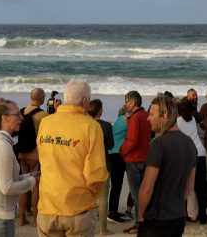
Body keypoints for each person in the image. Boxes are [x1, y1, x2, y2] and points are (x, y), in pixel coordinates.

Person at [36, 80, 109, 237]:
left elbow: (42, 158)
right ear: (84, 101)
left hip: (47, 206)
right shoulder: (91, 126)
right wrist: (92, 196)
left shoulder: (46, 123)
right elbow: (96, 173)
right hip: (78, 208)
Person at [134, 94, 197, 237]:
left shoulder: (159, 144)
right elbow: (189, 187)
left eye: (151, 114)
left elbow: (147, 188)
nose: (148, 118)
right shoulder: (190, 144)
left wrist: (141, 215)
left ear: (164, 116)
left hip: (156, 219)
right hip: (178, 217)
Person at [0, 99, 38, 236]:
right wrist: (32, 182)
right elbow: (7, 187)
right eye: (17, 114)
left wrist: (29, 176)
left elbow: (3, 177)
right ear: (5, 118)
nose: (21, 118)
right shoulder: (2, 146)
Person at [120, 90, 152, 234]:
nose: (126, 104)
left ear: (133, 102)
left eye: (127, 102)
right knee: (145, 192)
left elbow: (132, 142)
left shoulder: (135, 118)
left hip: (134, 160)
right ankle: (146, 220)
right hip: (145, 158)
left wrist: (121, 150)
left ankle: (140, 223)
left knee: (137, 194)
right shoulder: (146, 116)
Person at [16, 88, 47, 227]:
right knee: (36, 186)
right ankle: (35, 219)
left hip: (22, 152)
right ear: (42, 99)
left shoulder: (21, 111)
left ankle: (21, 218)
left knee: (23, 186)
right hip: (35, 153)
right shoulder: (43, 115)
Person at [176, 100, 207, 224]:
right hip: (201, 152)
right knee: (201, 187)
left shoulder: (178, 122)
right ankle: (202, 216)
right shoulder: (193, 120)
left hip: (189, 155)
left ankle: (185, 213)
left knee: (186, 185)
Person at [90, 98, 116, 236]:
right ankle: (103, 229)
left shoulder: (85, 123)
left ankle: (90, 225)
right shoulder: (106, 125)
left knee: (90, 195)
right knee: (103, 196)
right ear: (100, 110)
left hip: (88, 163)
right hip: (104, 162)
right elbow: (111, 145)